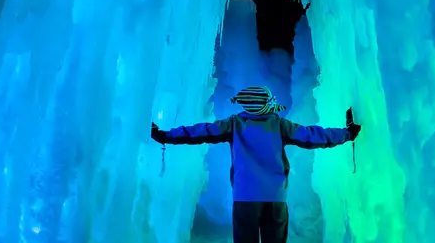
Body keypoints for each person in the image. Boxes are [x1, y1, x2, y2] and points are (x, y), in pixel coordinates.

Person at [150, 85, 362, 243]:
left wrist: (165, 135)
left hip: (245, 198)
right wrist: (347, 133)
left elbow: (199, 131)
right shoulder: (279, 124)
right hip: (275, 199)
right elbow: (313, 136)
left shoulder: (233, 124)